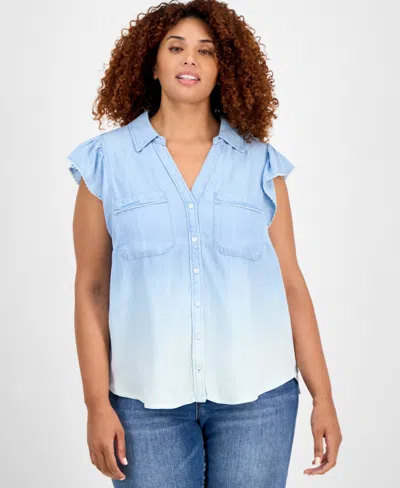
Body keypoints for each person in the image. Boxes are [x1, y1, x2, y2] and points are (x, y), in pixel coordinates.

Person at [67, 1, 342, 486]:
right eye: (176, 48)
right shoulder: (105, 163)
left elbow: (290, 283)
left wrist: (324, 397)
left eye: (206, 51)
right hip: (143, 405)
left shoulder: (260, 165)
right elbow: (91, 289)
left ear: (223, 70)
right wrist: (96, 403)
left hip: (258, 401)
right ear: (153, 64)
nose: (190, 59)